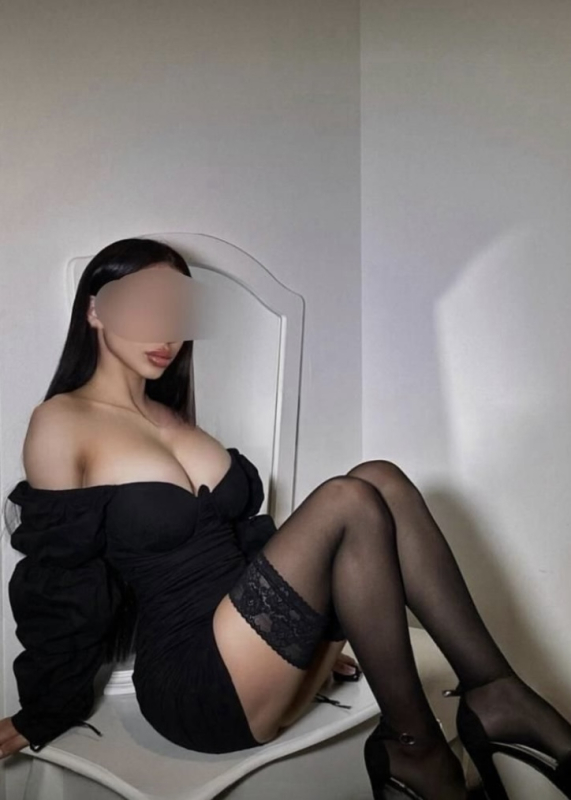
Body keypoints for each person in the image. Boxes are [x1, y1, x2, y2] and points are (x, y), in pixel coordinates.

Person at [1, 238, 570, 800]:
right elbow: (61, 586)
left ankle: (492, 697)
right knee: (348, 499)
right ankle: (419, 743)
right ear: (96, 310)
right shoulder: (62, 421)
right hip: (195, 679)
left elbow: (245, 549)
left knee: (381, 478)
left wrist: (297, 629)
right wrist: (45, 711)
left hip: (259, 653)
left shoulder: (177, 420)